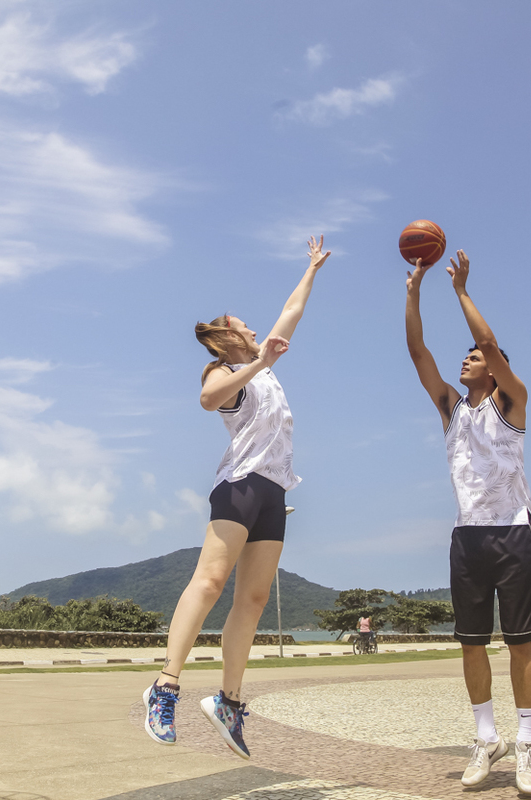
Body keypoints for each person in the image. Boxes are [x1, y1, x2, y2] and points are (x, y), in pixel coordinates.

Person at [142, 235, 331, 759]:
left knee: (251, 600)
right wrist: (258, 361)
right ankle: (164, 687)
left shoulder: (262, 362)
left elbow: (291, 312)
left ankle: (229, 701)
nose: (254, 327)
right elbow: (208, 401)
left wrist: (311, 268)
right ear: (227, 339)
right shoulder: (225, 370)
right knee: (209, 582)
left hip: (274, 491)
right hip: (240, 485)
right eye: (244, 325)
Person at [404, 249, 531, 795]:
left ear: (493, 368)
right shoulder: (450, 407)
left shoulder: (511, 402)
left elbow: (489, 343)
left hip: (514, 531)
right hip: (467, 535)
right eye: (464, 356)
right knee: (471, 642)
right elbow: (417, 350)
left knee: (520, 644)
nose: (466, 360)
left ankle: (528, 745)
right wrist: (415, 288)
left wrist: (461, 291)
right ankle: (486, 738)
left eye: (473, 357)